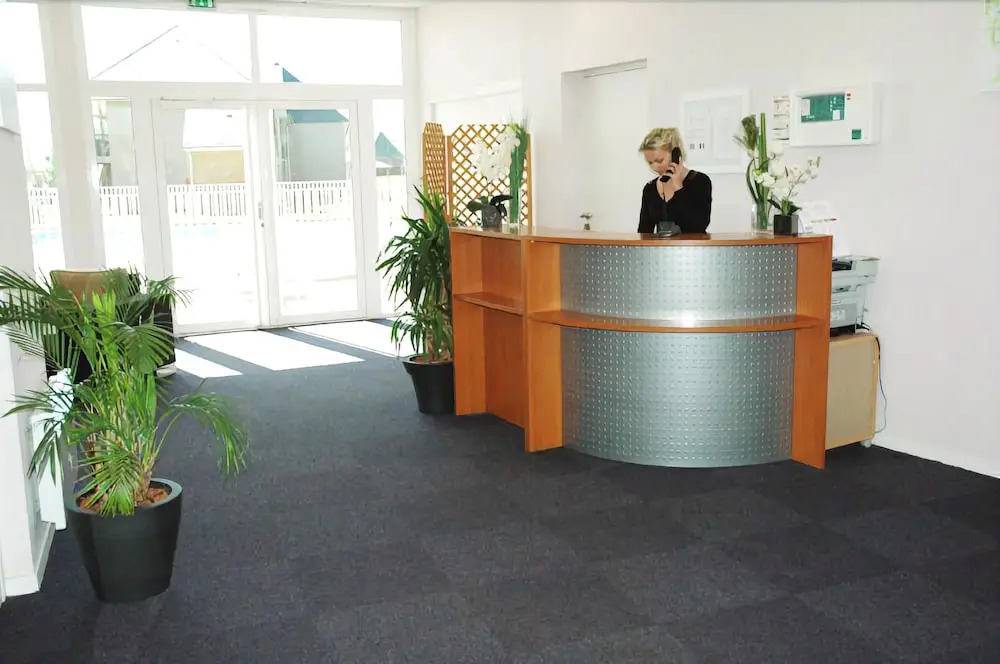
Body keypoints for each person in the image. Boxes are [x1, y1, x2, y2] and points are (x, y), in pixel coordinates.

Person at [637, 127, 713, 234]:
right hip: (660, 245)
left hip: (694, 244)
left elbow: (697, 226)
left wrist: (678, 187)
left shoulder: (700, 181)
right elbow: (644, 232)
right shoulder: (650, 189)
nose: (655, 167)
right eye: (650, 163)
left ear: (675, 155)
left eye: (659, 160)